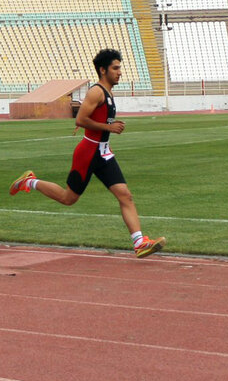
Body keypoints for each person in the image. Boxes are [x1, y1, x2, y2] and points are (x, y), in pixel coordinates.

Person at [10, 48, 165, 258]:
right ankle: (30, 182)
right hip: (88, 153)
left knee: (125, 196)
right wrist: (109, 128)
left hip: (104, 154)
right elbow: (80, 120)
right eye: (115, 68)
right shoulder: (97, 92)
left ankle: (139, 243)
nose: (120, 72)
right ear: (103, 70)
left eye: (120, 68)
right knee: (68, 198)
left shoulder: (108, 92)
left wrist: (106, 130)